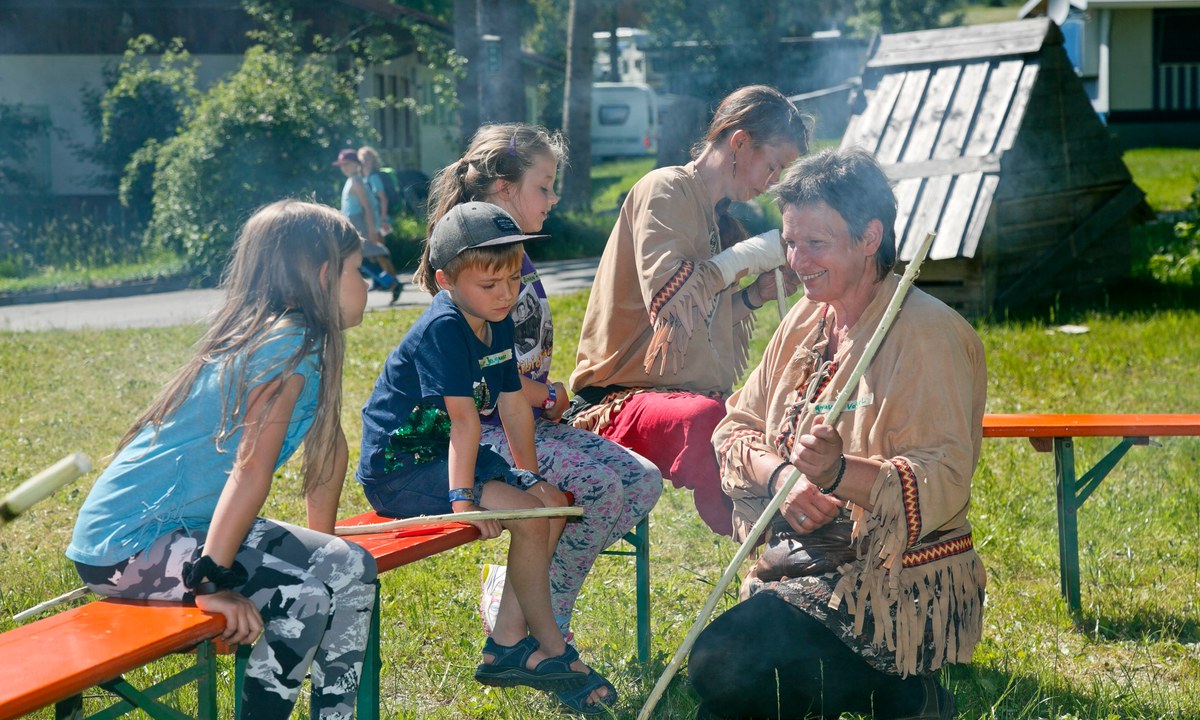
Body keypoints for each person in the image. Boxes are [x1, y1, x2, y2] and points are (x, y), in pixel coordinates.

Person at [687, 148, 988, 720]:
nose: (797, 260)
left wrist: (839, 473)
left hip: (892, 583)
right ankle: (878, 694)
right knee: (717, 676)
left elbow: (945, 477)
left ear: (870, 237)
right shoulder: (808, 317)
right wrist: (780, 476)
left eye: (815, 244)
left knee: (726, 669)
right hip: (802, 566)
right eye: (790, 242)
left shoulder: (928, 334)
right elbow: (736, 425)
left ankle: (906, 689)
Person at [65, 200, 377, 719]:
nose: (366, 283)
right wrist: (210, 583)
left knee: (351, 566)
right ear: (324, 277)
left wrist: (326, 549)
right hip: (125, 545)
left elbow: (328, 451)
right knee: (305, 598)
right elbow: (250, 470)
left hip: (188, 530)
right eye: (357, 270)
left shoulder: (307, 343)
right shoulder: (286, 348)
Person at [412, 123, 663, 713]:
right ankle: (543, 640)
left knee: (643, 479)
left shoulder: (513, 257)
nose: (552, 200)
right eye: (544, 186)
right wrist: (539, 395)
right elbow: (483, 389)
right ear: (503, 189)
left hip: (529, 420)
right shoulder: (479, 268)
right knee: (598, 485)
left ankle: (512, 620)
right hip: (493, 430)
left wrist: (544, 397)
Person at [356, 201, 613, 711]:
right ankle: (552, 650)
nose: (505, 295)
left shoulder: (492, 322)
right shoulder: (443, 328)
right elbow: (464, 421)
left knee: (547, 504)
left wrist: (529, 478)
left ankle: (505, 644)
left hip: (444, 455)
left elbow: (514, 405)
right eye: (489, 285)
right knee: (528, 512)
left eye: (513, 280)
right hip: (400, 467)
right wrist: (462, 501)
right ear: (445, 280)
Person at [567, 85, 810, 537]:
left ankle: (782, 539)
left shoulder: (718, 216)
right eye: (773, 165)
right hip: (614, 401)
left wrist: (754, 295)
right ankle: (764, 539)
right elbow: (671, 303)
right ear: (739, 142)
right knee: (707, 420)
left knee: (769, 419)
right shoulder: (665, 189)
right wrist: (741, 258)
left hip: (672, 396)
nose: (773, 181)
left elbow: (699, 320)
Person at [333, 148, 403, 303]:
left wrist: (372, 229)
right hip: (352, 223)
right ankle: (390, 282)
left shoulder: (357, 181)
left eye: (348, 164)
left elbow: (367, 207)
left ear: (356, 164)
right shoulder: (352, 180)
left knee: (360, 258)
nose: (344, 167)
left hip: (358, 225)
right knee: (362, 259)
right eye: (342, 164)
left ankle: (391, 282)